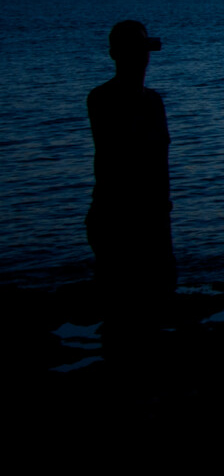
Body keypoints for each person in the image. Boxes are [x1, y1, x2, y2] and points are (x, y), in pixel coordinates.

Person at [86, 20, 175, 306]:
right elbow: (116, 156)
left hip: (154, 214)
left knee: (159, 296)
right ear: (116, 54)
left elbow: (159, 159)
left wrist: (163, 206)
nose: (142, 57)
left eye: (143, 48)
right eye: (133, 48)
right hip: (118, 215)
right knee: (121, 300)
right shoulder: (102, 99)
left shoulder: (153, 101)